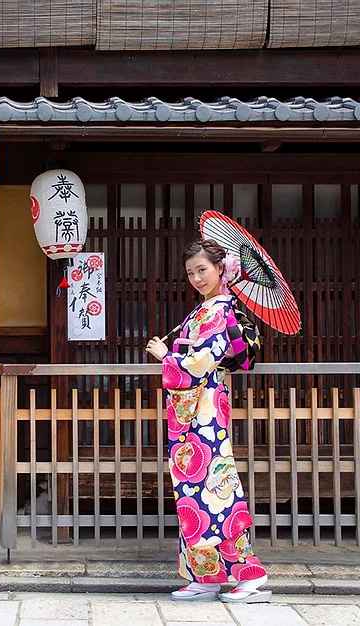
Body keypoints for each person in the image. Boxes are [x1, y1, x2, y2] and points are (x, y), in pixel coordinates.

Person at [145, 239, 270, 604]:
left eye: (202, 270)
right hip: (191, 413)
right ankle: (206, 575)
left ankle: (250, 574)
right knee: (193, 495)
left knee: (217, 492)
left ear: (220, 270)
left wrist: (167, 354)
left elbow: (202, 362)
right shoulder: (205, 309)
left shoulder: (220, 310)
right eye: (190, 272)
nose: (197, 278)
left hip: (204, 412)